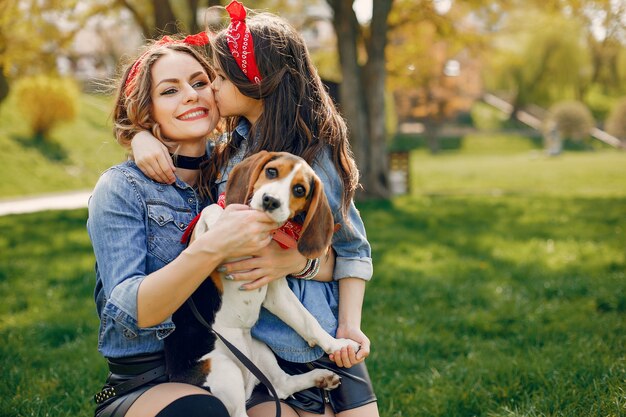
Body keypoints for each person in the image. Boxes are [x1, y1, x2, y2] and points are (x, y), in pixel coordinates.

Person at [131, 2, 379, 416]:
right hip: (255, 343)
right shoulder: (233, 151)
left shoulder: (315, 160)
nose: (211, 89)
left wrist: (345, 320)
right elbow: (181, 139)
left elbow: (353, 249)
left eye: (221, 78)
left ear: (256, 83)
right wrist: (140, 136)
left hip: (321, 340)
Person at [87, 32, 330, 417]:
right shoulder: (121, 188)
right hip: (152, 378)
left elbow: (329, 254)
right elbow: (133, 313)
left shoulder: (241, 172)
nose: (191, 95)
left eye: (200, 83)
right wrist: (213, 246)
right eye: (169, 91)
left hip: (240, 362)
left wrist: (293, 263)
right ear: (145, 111)